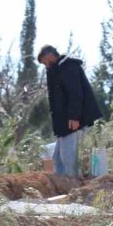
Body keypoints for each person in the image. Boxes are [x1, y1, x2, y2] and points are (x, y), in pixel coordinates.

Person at [37, 45, 102, 178]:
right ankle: (62, 187)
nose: (46, 66)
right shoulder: (56, 70)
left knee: (68, 157)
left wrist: (74, 116)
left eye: (45, 62)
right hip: (63, 122)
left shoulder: (68, 67)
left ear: (50, 56)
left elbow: (75, 93)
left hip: (73, 120)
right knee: (57, 158)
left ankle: (73, 186)